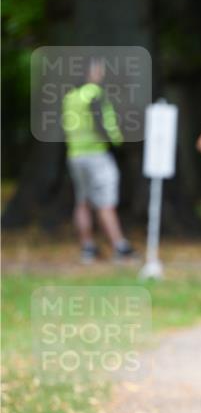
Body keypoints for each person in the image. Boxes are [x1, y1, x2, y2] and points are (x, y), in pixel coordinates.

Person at [62, 58, 135, 263]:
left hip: (75, 154)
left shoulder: (71, 96)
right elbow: (100, 122)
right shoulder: (94, 93)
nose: (101, 73)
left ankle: (87, 248)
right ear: (90, 72)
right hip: (97, 154)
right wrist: (115, 143)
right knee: (106, 202)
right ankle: (119, 245)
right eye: (99, 70)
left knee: (83, 202)